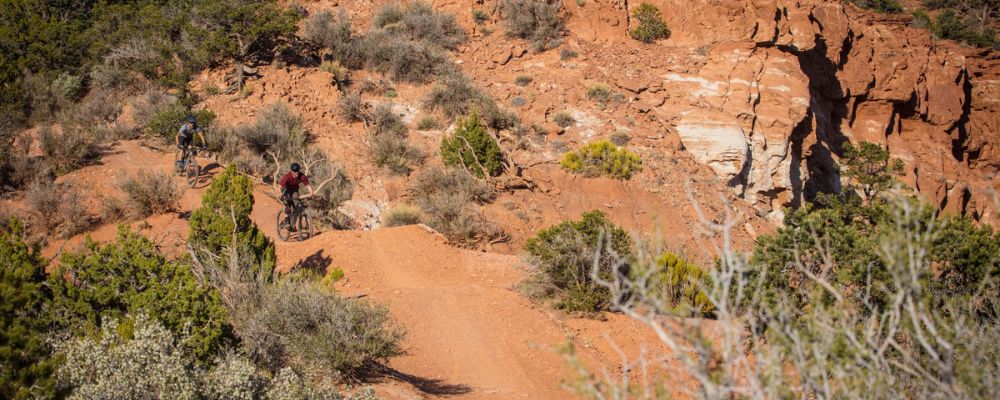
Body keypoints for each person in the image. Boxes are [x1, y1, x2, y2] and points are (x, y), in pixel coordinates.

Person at [279, 162, 315, 228]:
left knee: (297, 206)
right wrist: (281, 195)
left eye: (297, 171)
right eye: (294, 171)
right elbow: (279, 186)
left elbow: (308, 186)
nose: (296, 173)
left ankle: (293, 223)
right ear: (291, 171)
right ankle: (287, 221)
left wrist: (312, 193)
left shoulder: (302, 176)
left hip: (295, 191)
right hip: (287, 191)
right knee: (288, 203)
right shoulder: (287, 176)